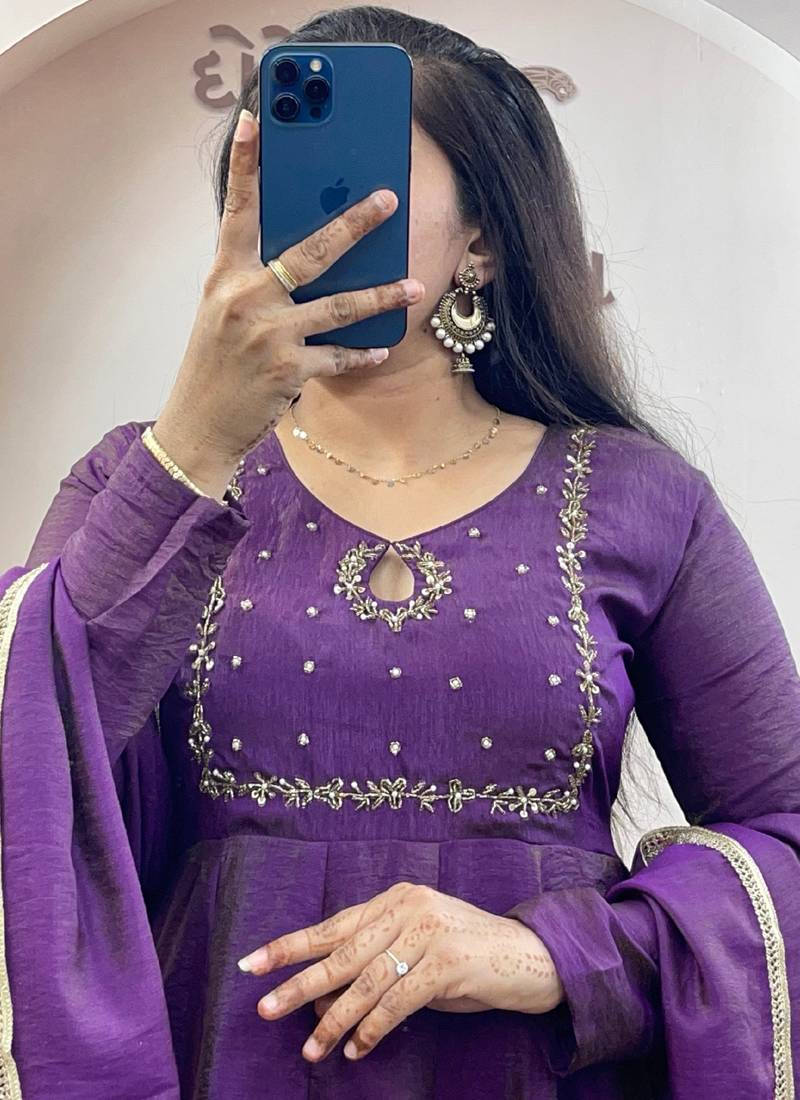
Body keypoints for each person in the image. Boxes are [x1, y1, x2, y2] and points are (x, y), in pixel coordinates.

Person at [1, 7, 797, 1098]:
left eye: (360, 187)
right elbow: (32, 760)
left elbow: (785, 838)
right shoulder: (139, 479)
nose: (312, 226)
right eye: (275, 188)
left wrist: (552, 953)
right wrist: (193, 438)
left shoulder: (641, 499)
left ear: (484, 240)